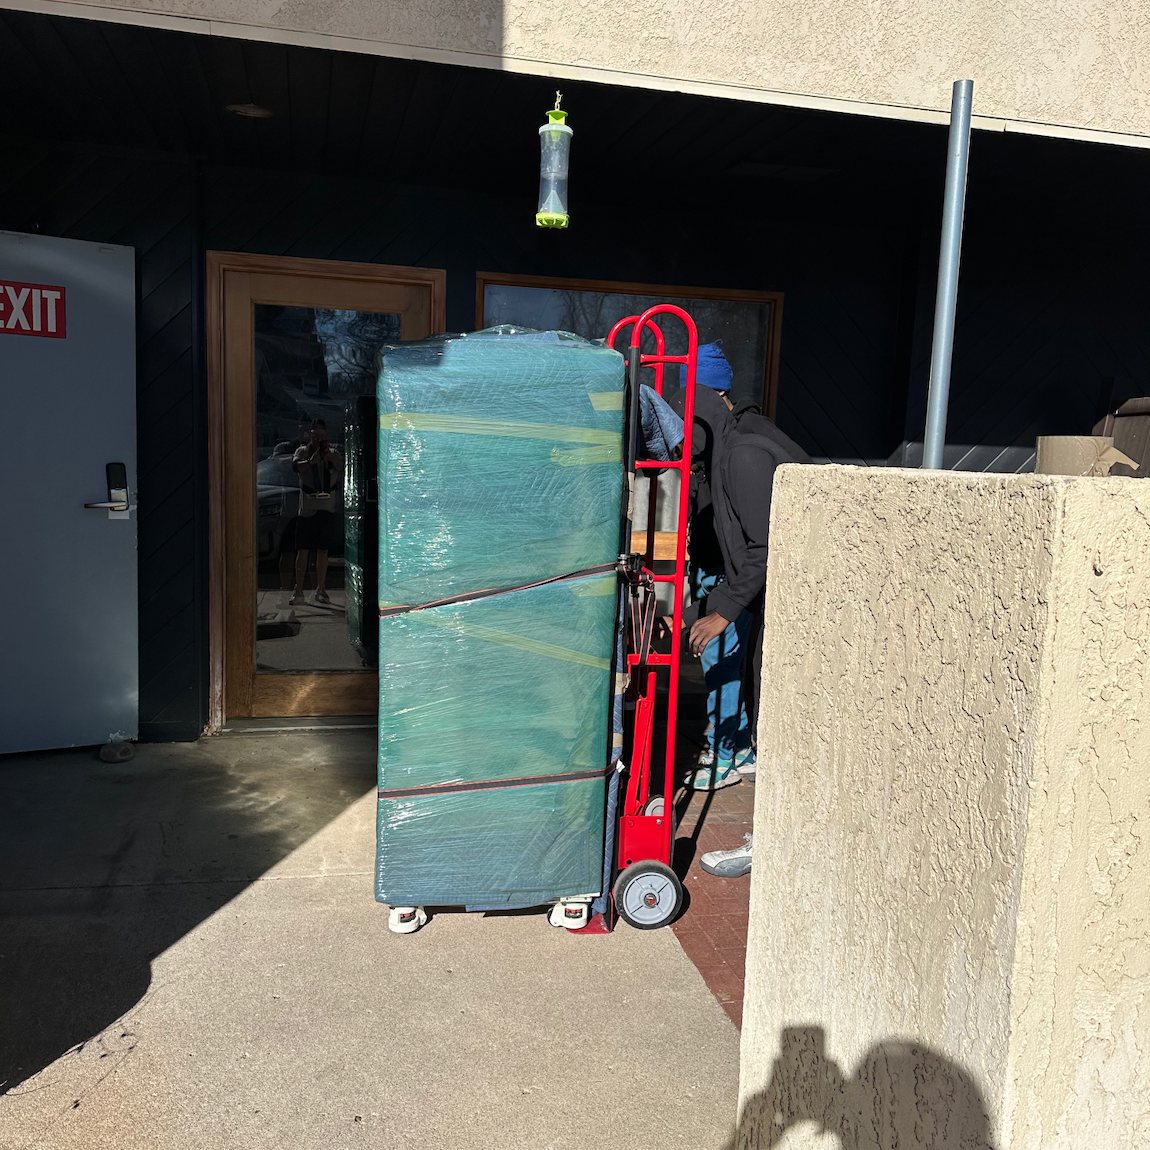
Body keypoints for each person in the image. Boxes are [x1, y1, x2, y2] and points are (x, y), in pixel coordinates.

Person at [670, 344, 811, 873]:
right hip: (758, 592)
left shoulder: (747, 454)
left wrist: (722, 609)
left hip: (780, 599)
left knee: (757, 687)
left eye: (690, 406)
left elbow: (766, 546)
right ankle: (743, 764)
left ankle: (741, 770)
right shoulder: (726, 447)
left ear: (715, 398)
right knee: (752, 685)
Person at [290, 419, 342, 606]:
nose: (319, 439)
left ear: (326, 435)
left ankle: (321, 588)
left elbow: (342, 466)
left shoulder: (333, 452)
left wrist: (331, 459)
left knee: (323, 551)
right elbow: (297, 466)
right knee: (302, 550)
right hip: (308, 510)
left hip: (327, 508)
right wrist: (311, 461)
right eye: (315, 435)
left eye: (322, 436)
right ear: (310, 435)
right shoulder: (303, 452)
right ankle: (298, 589)